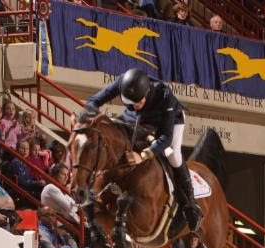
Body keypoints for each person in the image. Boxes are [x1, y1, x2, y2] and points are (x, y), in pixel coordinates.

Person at [80, 68, 202, 232]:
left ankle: (190, 203)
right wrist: (88, 114)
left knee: (173, 154)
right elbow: (94, 100)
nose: (135, 105)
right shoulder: (123, 82)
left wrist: (142, 155)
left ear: (147, 92)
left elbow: (165, 137)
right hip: (137, 120)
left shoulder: (165, 95)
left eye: (139, 101)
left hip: (168, 123)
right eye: (131, 102)